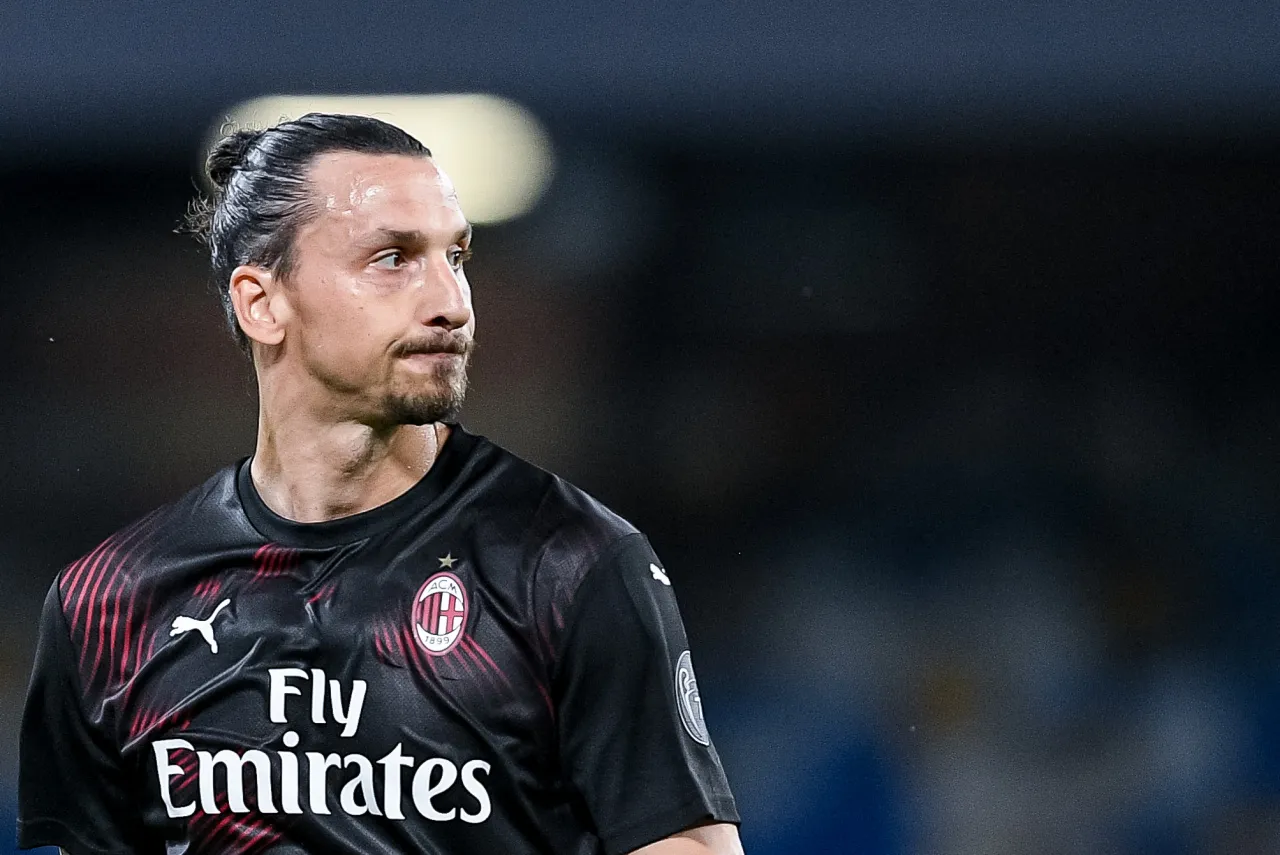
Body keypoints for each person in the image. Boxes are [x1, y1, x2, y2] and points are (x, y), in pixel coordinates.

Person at [17, 113, 742, 855]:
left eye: (455, 257)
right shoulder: (108, 602)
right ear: (262, 303)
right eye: (392, 258)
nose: (452, 303)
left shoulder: (567, 564)